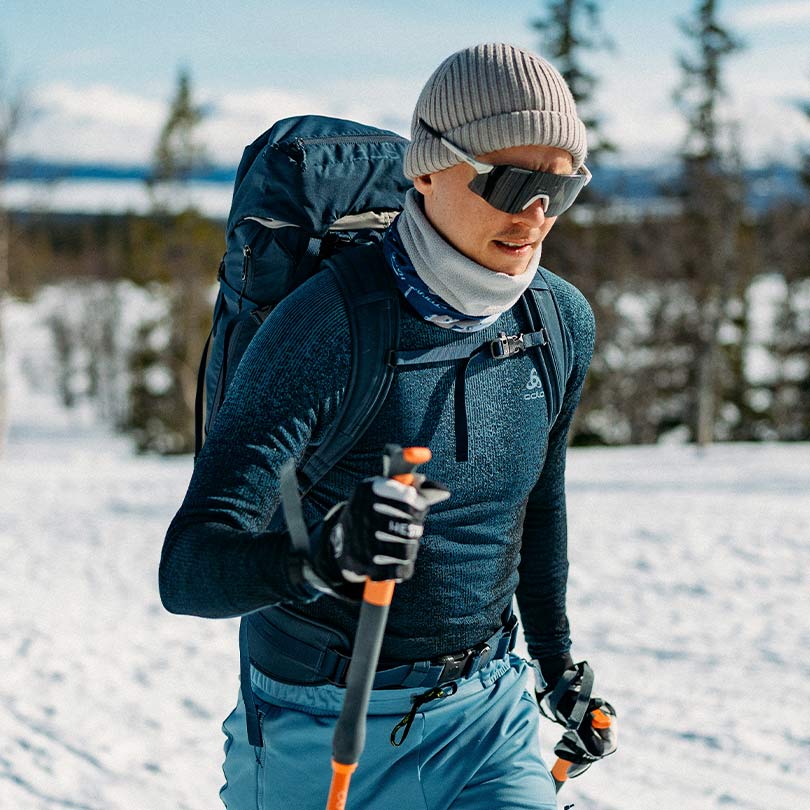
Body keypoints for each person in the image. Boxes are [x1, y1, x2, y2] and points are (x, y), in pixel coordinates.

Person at [160, 42, 617, 810]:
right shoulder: (328, 327)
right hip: (322, 726)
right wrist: (321, 556)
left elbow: (536, 511)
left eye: (561, 187)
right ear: (430, 167)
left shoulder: (557, 321)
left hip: (489, 720)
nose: (536, 213)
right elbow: (188, 570)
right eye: (512, 182)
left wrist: (558, 669)